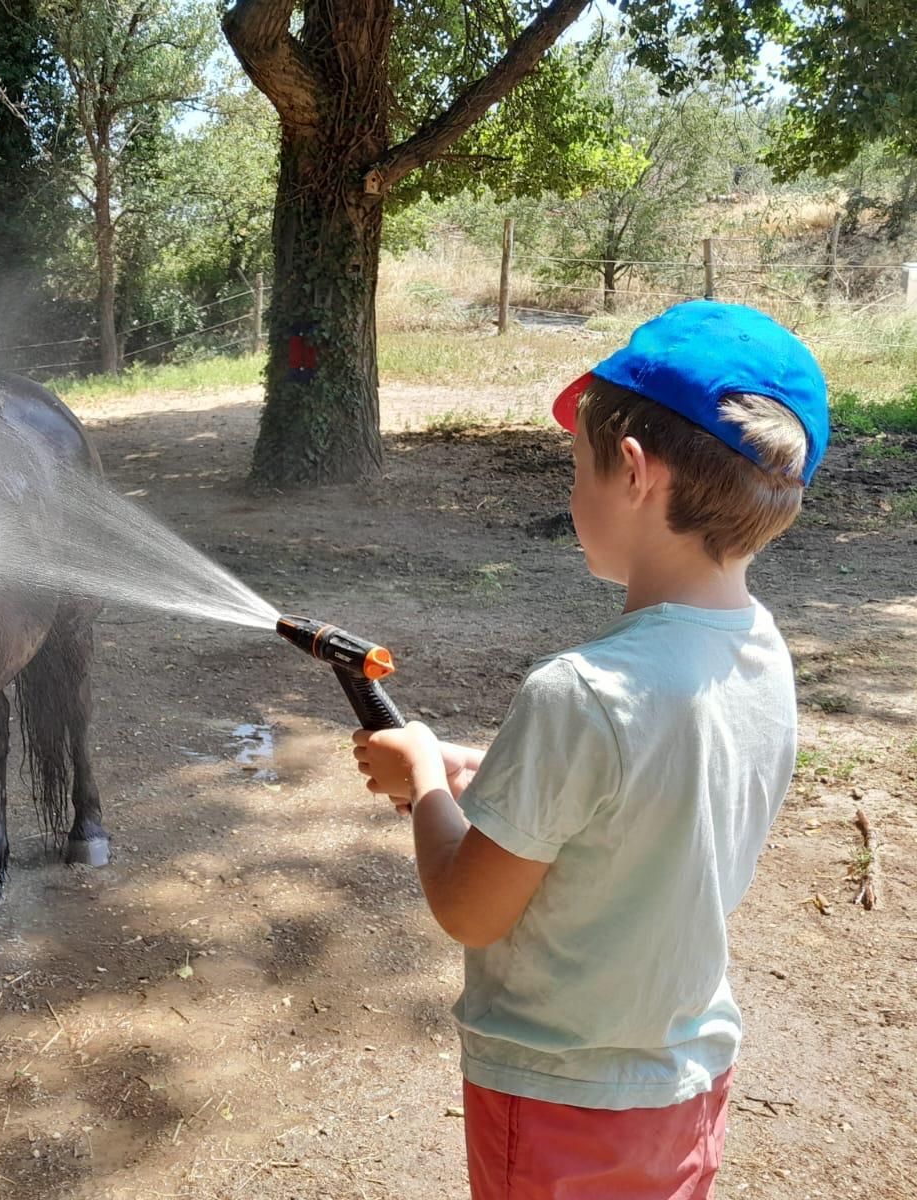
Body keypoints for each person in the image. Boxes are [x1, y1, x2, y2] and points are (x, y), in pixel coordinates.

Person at [351, 300, 829, 1199]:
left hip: (563, 1099)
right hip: (684, 1082)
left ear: (636, 473)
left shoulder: (577, 691)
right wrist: (482, 774)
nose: (570, 495)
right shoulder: (761, 653)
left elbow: (470, 909)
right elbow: (639, 799)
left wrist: (422, 781)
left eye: (577, 467)